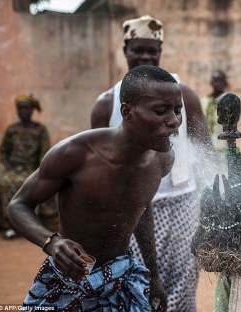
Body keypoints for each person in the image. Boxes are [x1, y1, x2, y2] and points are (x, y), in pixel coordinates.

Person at [8, 65, 180, 311]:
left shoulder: (162, 160)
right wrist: (52, 243)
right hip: (68, 277)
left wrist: (154, 278)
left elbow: (142, 211)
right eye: (161, 111)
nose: (174, 121)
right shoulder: (76, 153)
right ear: (127, 112)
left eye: (177, 110)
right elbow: (18, 205)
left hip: (121, 277)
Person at [91, 15, 210, 312]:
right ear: (125, 50)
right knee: (135, 281)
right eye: (138, 50)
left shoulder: (184, 95)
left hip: (182, 199)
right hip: (131, 206)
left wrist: (217, 197)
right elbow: (97, 165)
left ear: (160, 51)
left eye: (151, 50)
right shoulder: (106, 103)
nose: (145, 56)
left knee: (182, 279)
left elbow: (206, 149)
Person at [0, 94, 56, 240]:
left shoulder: (40, 130)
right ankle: (11, 225)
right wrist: (8, 167)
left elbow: (45, 153)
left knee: (33, 183)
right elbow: (3, 151)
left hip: (34, 168)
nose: (23, 111)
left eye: (26, 108)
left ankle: (32, 224)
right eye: (20, 108)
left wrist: (40, 170)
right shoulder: (12, 130)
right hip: (14, 168)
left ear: (32, 110)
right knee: (6, 182)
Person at [201, 69, 229, 152]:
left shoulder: (228, 101)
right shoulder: (205, 101)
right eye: (216, 80)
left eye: (221, 81)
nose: (218, 84)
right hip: (206, 147)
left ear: (225, 83)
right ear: (211, 82)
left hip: (222, 147)